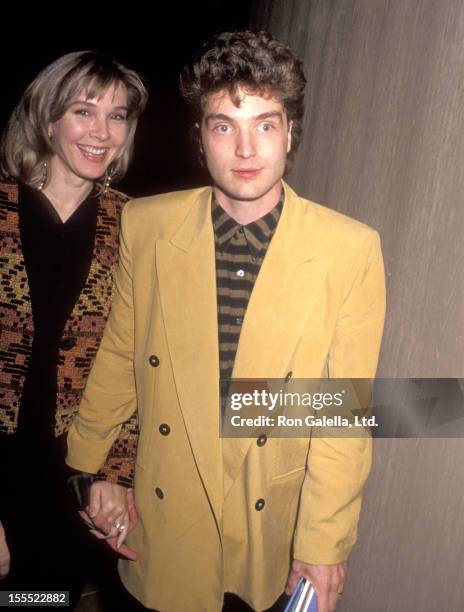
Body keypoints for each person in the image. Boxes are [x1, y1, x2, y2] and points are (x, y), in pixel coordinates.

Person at [67, 31, 386, 612]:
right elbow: (120, 355)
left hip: (266, 511)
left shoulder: (350, 249)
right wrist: (87, 468)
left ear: (291, 133)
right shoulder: (148, 224)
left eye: (264, 124)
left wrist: (323, 542)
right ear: (199, 138)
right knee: (48, 600)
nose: (245, 149)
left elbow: (340, 413)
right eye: (223, 126)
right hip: (168, 508)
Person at [0, 51, 147, 607]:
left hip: (70, 480)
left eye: (118, 116)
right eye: (84, 111)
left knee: (41, 600)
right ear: (47, 116)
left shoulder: (134, 225)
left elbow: (140, 362)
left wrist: (115, 472)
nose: (102, 132)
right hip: (3, 467)